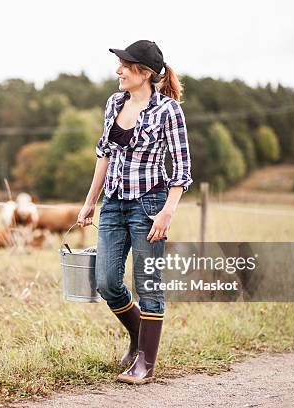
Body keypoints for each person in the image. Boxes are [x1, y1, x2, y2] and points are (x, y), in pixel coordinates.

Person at [77, 40, 193, 385]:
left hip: (150, 206)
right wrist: (90, 201)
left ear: (143, 72)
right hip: (113, 204)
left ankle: (145, 361)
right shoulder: (114, 102)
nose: (118, 71)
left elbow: (182, 170)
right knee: (107, 282)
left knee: (148, 285)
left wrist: (167, 212)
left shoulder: (168, 111)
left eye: (125, 66)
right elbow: (104, 155)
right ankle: (141, 336)